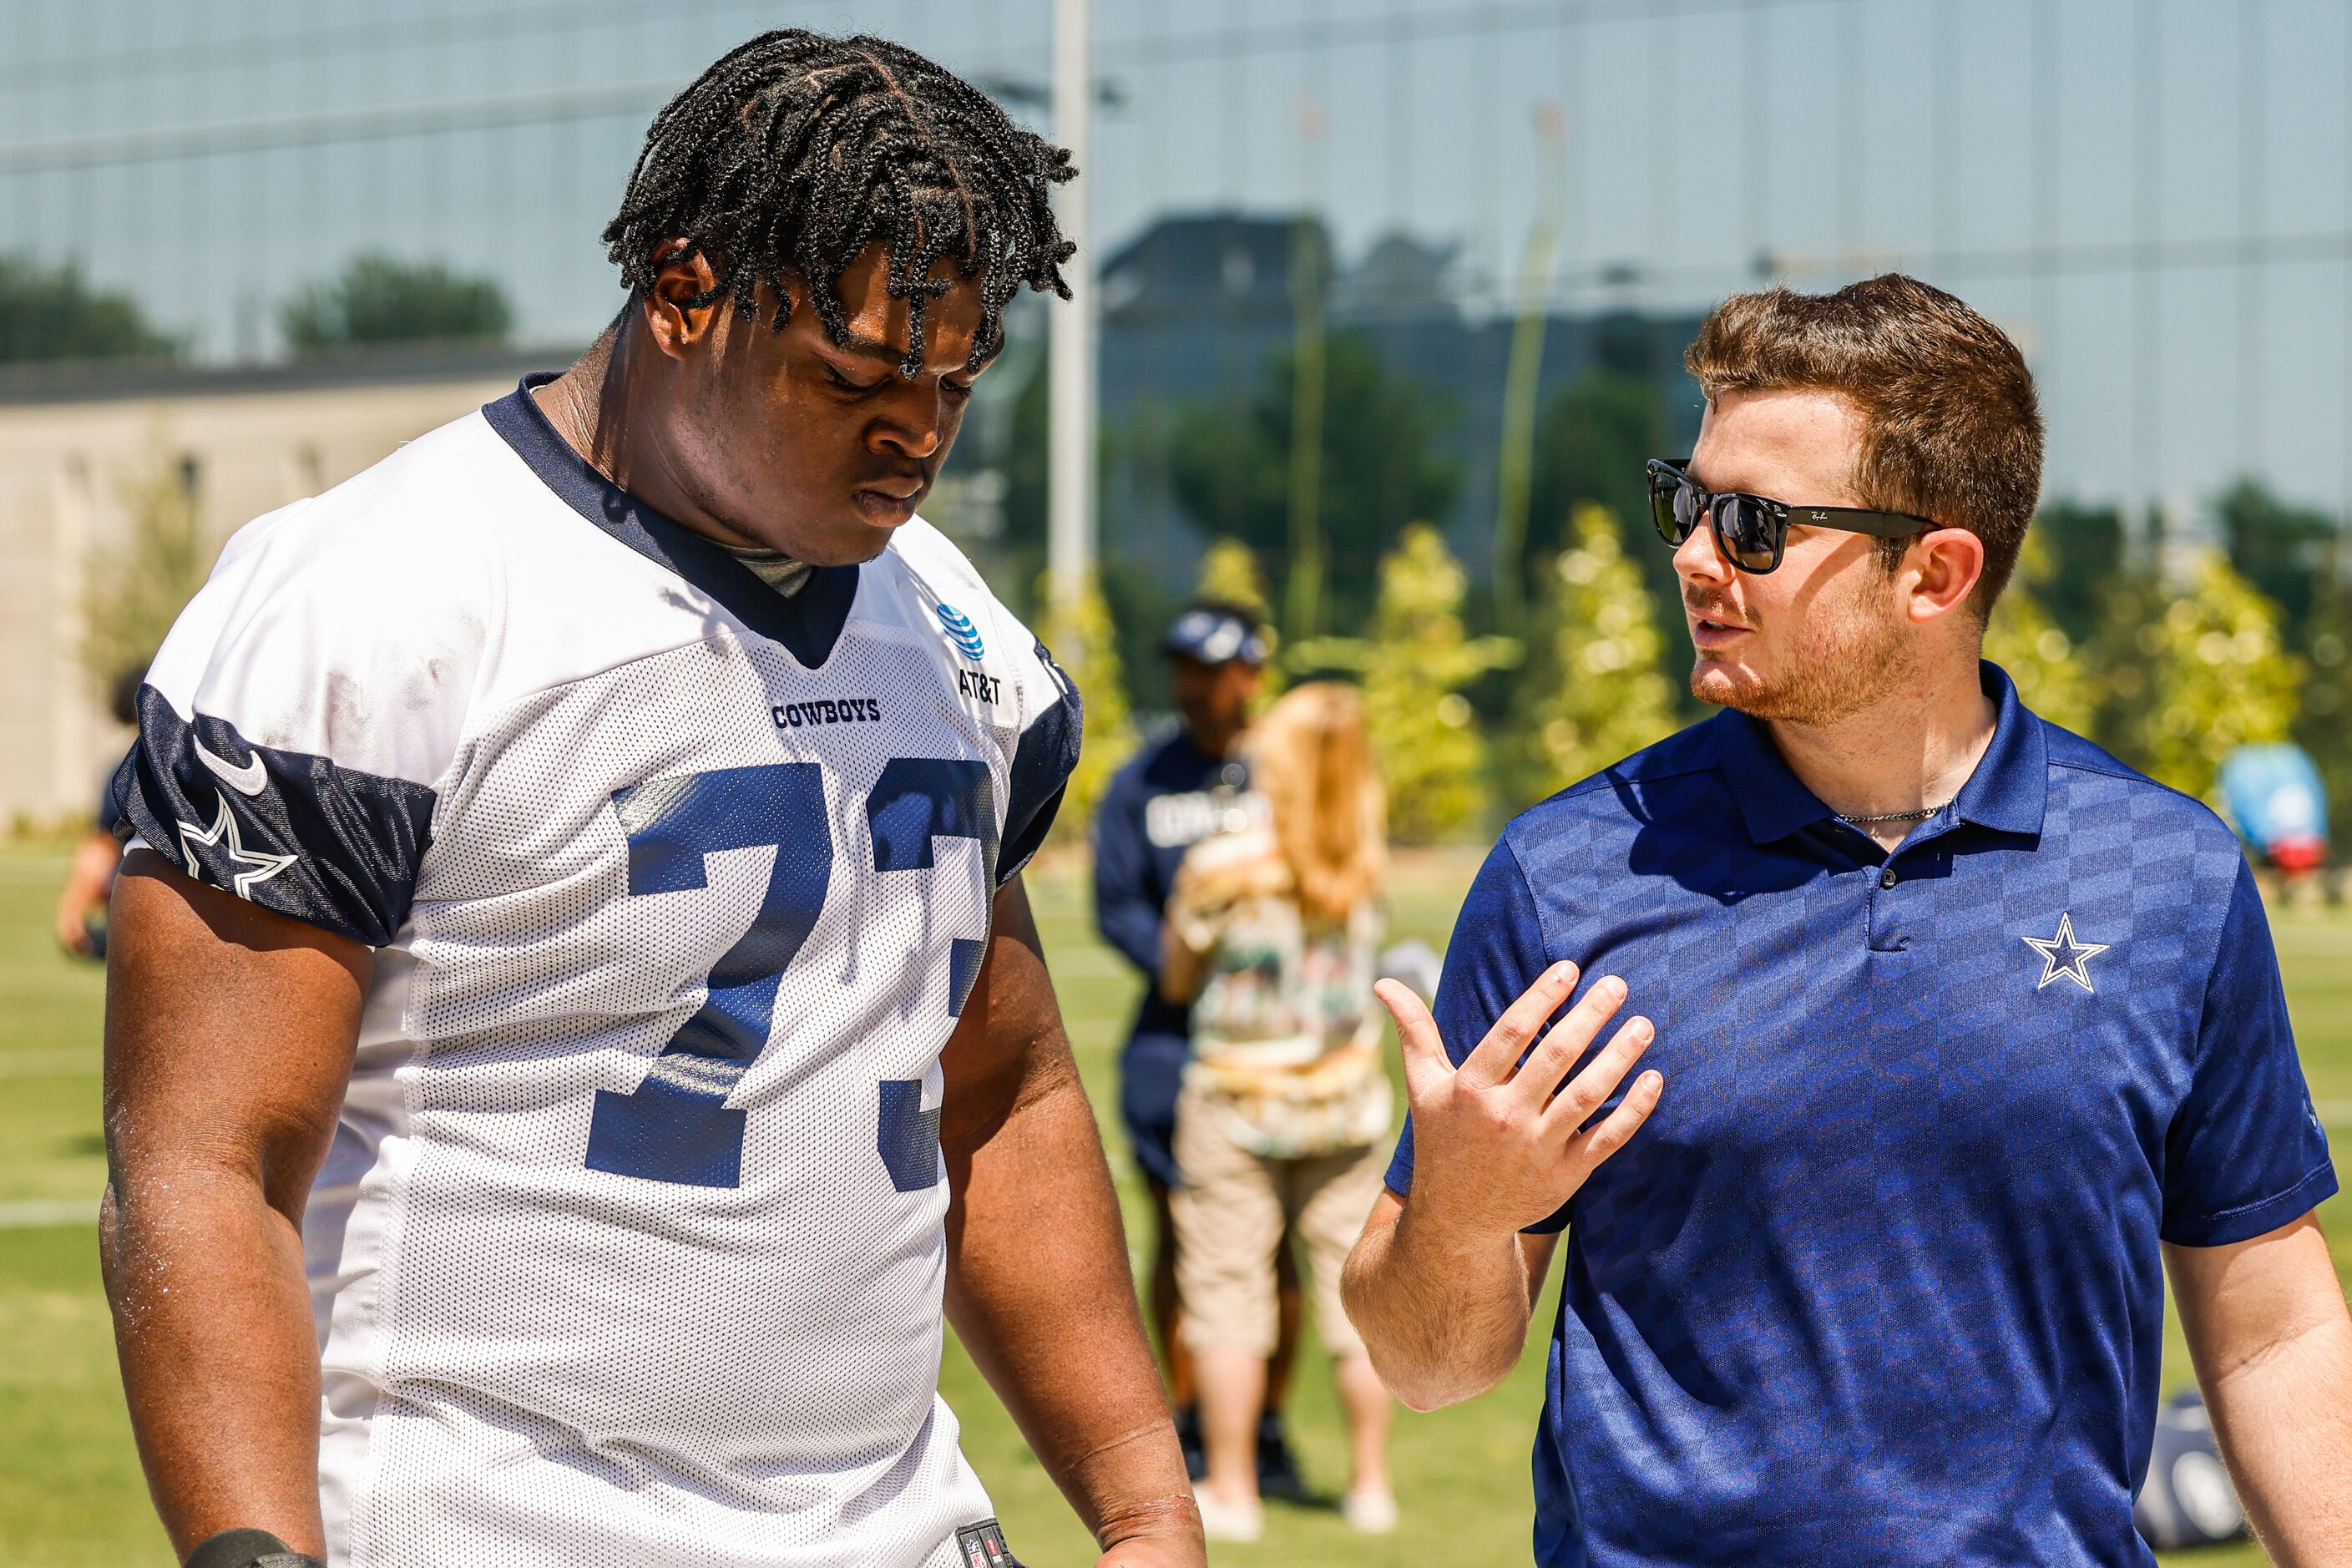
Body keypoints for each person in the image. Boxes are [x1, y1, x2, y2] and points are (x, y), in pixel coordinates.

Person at [98, 33, 1201, 1568]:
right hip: (486, 1520)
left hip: (897, 1522)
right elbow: (205, 1161)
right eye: (858, 374)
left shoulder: (952, 627)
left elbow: (997, 1092)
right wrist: (251, 1549)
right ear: (685, 294)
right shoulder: (378, 595)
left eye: (957, 380)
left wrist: (1147, 1511)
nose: (919, 434)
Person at [1343, 275, 2352, 1565]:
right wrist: (1460, 1217)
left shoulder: (2170, 877)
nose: (1694, 555)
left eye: (1755, 523)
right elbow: (1428, 1367)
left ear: (1934, 571)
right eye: (1685, 500)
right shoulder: (1568, 873)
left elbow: (2270, 1324)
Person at [1160, 682, 1397, 1542]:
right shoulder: (1364, 853)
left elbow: (1178, 973)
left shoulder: (1227, 858)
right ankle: (1371, 1483)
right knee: (1358, 1299)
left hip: (1235, 1098)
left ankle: (1234, 1488)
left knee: (1228, 1293)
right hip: (1347, 1103)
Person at [1090, 604, 1307, 1493]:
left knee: (1283, 1243)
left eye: (1212, 668)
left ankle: (1266, 1424)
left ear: (1255, 671)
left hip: (1286, 1040)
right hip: (1173, 1042)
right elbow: (1118, 904)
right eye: (1183, 666)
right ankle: (1187, 1419)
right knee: (1182, 1237)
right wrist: (1187, 975)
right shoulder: (1141, 781)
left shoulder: (1291, 770)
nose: (1194, 685)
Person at [53, 665, 145, 959]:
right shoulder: (127, 771)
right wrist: (73, 910)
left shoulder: (127, 770)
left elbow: (102, 845)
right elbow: (104, 842)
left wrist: (72, 913)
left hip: (143, 910)